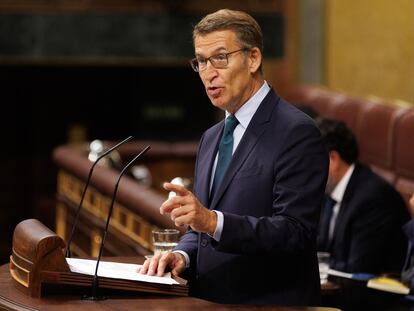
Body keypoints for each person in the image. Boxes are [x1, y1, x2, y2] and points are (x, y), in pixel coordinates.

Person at [138, 9, 329, 306]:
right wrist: (182, 254)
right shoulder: (211, 137)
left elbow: (295, 232)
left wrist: (212, 221)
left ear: (253, 58)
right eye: (201, 61)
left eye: (220, 58)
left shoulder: (296, 132)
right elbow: (201, 227)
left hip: (268, 303)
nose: (208, 73)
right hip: (208, 301)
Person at [316, 118, 410, 311]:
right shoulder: (330, 192)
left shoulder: (372, 199)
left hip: (374, 300)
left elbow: (358, 271)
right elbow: (320, 246)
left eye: (311, 159)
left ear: (332, 159)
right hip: (342, 292)